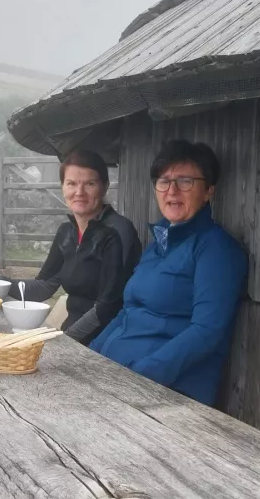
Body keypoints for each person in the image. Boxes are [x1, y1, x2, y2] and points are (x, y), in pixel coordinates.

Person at [89, 139, 248, 405]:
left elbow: (206, 332)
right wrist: (92, 356)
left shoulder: (216, 249)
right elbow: (128, 311)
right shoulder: (158, 243)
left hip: (165, 395)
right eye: (164, 182)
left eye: (185, 181)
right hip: (118, 378)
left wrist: (139, 376)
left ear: (208, 190)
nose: (172, 191)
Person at [0, 149, 142, 345]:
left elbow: (109, 306)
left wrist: (65, 341)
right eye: (72, 184)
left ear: (104, 187)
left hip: (107, 341)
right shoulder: (67, 232)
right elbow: (43, 287)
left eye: (89, 184)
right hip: (73, 334)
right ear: (63, 187)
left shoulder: (118, 232)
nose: (79, 192)